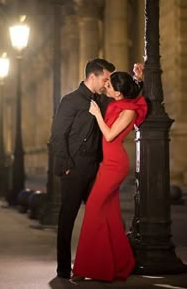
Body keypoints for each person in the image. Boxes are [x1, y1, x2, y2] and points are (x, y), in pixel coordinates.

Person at [50, 58, 143, 279]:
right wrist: (66, 167)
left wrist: (139, 80)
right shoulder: (70, 100)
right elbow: (57, 136)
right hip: (74, 169)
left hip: (98, 169)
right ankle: (63, 268)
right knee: (67, 218)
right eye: (105, 78)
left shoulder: (103, 100)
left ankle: (105, 262)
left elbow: (126, 98)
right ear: (93, 76)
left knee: (105, 215)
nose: (106, 83)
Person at [72, 71, 147, 282]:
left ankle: (84, 267)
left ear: (119, 91)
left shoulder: (129, 111)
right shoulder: (115, 104)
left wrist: (96, 115)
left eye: (110, 86)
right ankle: (117, 264)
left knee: (94, 208)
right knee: (110, 215)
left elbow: (110, 135)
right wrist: (139, 80)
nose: (106, 87)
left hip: (116, 165)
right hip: (107, 164)